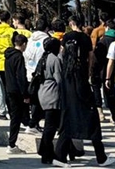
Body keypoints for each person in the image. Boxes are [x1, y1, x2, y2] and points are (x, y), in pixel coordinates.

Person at [55, 39, 114, 167]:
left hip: (68, 104)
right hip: (82, 104)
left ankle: (60, 156)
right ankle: (101, 158)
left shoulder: (64, 68)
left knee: (67, 129)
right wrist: (90, 99)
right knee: (94, 130)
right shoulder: (78, 68)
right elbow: (82, 89)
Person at [36, 37, 63, 165]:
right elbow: (59, 79)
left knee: (49, 125)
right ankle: (46, 153)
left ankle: (44, 150)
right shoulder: (55, 59)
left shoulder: (43, 58)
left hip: (43, 92)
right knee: (50, 127)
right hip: (52, 94)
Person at [5, 33, 31, 154]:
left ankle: (28, 125)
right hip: (17, 90)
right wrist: (25, 94)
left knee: (15, 116)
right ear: (24, 44)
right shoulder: (19, 57)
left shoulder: (8, 55)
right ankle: (11, 144)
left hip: (9, 88)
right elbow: (21, 77)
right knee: (16, 117)